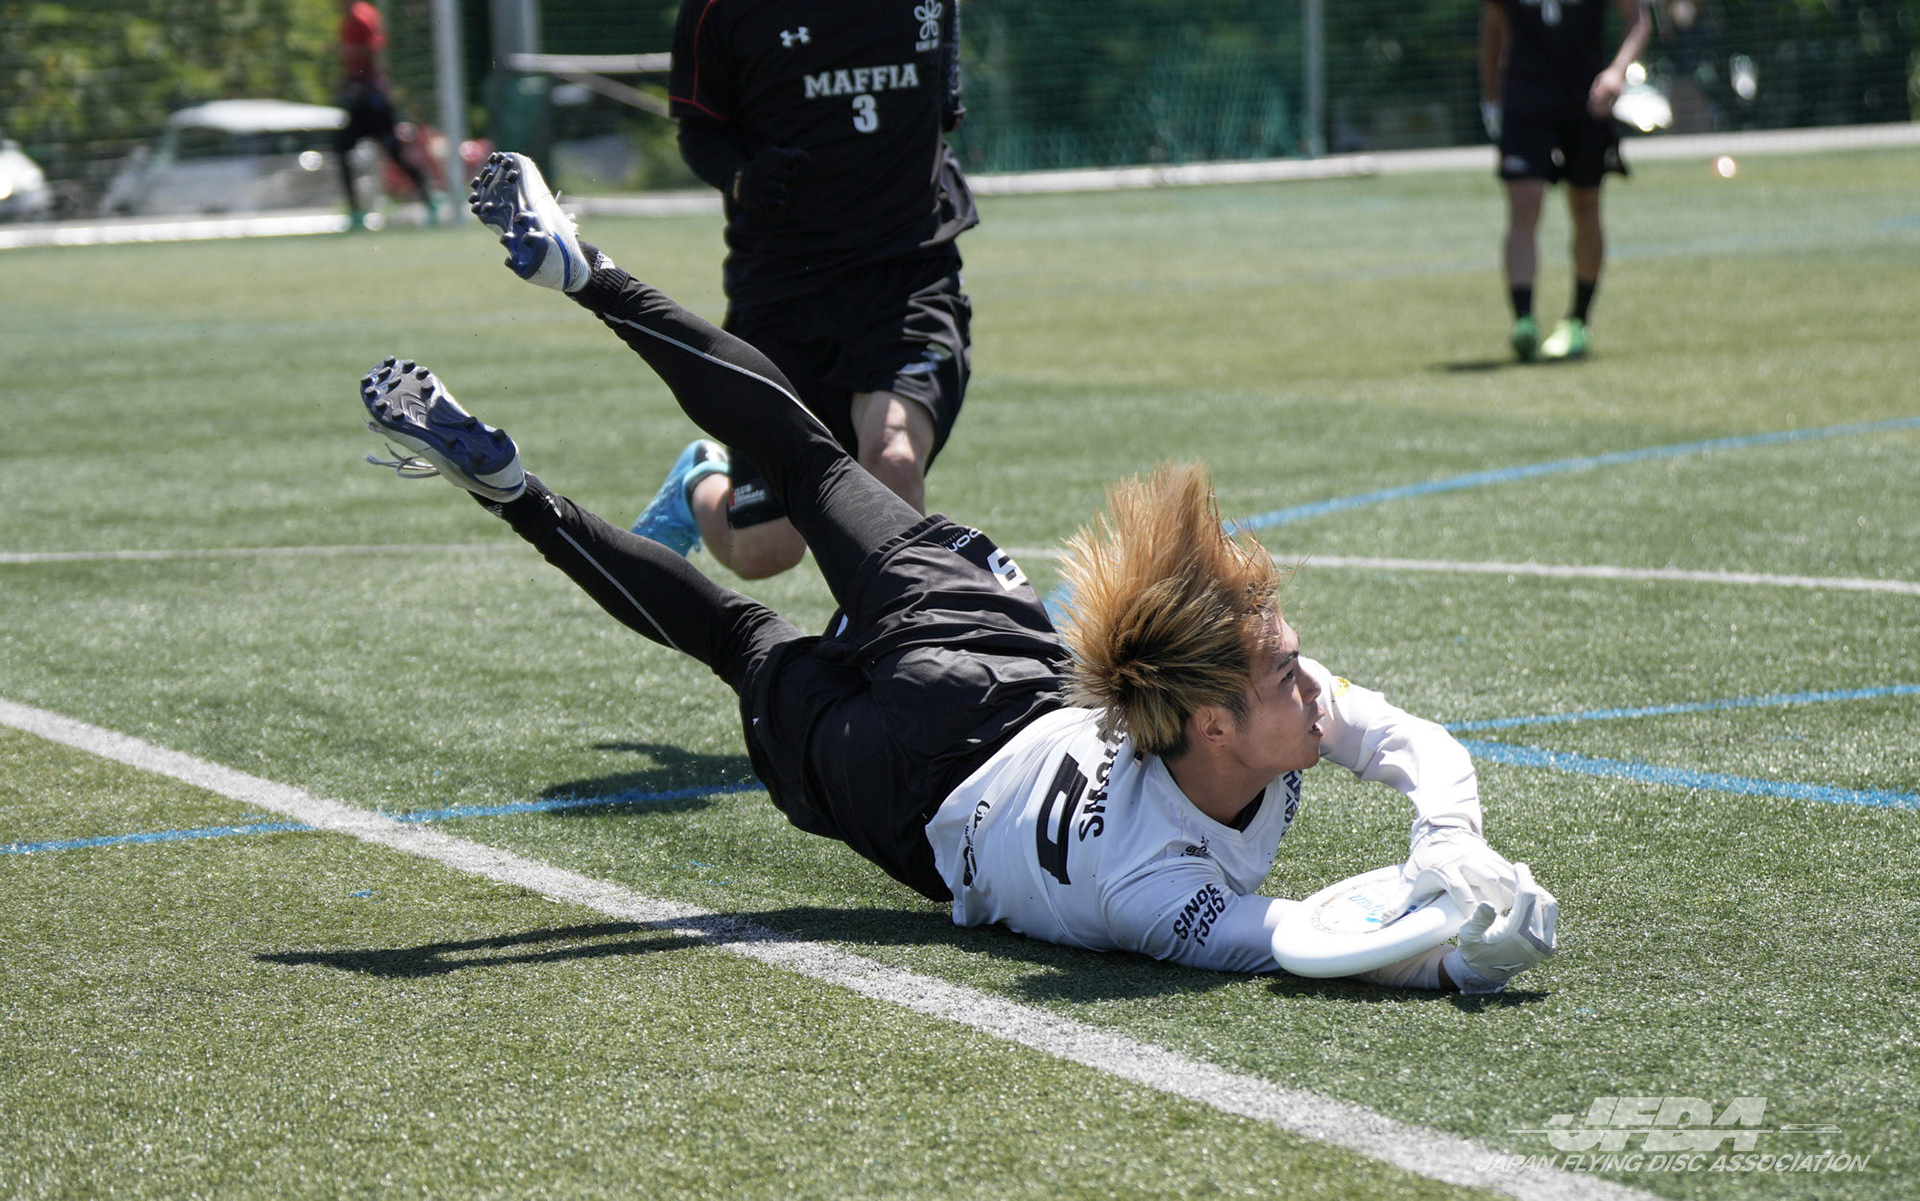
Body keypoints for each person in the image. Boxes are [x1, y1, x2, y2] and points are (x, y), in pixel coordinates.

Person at [375, 152, 1557, 992]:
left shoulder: (1231, 713)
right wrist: (1457, 944)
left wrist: (1449, 848)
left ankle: (589, 274)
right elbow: (1305, 936)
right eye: (1290, 672)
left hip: (989, 667)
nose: (1317, 687)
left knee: (806, 460)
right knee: (738, 636)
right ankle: (514, 489)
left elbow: (1359, 843)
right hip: (918, 791)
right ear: (1210, 720)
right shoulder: (1155, 887)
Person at [629, 0, 976, 581]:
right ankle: (699, 481)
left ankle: (898, 636)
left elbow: (938, 112)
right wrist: (743, 177)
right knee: (766, 551)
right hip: (780, 291)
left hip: (906, 277)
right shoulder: (719, 9)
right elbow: (699, 131)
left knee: (892, 460)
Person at [1480, 0, 1652, 360]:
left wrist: (1617, 72)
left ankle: (1577, 320)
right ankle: (1524, 321)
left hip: (1586, 98)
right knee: (1524, 206)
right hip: (1526, 99)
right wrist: (1491, 98)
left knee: (1586, 205)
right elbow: (1493, 27)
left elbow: (1637, 18)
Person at [334, 0, 440, 228]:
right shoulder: (348, 19)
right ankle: (355, 211)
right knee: (342, 148)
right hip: (358, 98)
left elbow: (373, 50)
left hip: (373, 99)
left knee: (394, 152)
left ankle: (430, 197)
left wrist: (348, 53)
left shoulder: (362, 17)